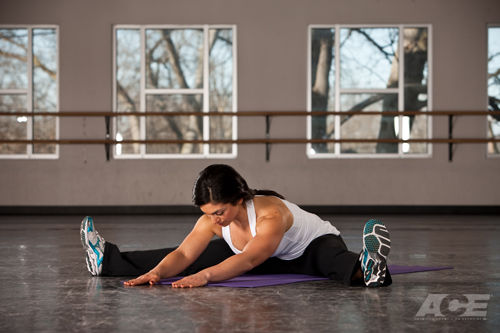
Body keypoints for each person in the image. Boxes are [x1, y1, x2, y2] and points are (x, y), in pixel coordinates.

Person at [80, 164, 392, 288]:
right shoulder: (213, 221)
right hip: (263, 255)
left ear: (239, 199)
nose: (213, 219)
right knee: (178, 256)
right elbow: (184, 254)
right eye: (208, 213)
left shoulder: (271, 214)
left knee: (331, 263)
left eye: (218, 212)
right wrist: (160, 273)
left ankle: (370, 268)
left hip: (309, 247)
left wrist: (204, 277)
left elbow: (249, 259)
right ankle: (105, 259)